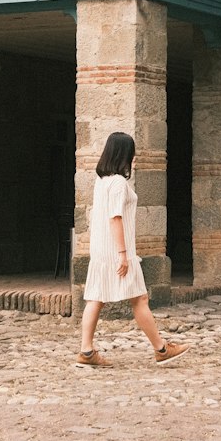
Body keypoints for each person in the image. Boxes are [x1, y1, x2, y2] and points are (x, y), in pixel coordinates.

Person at [78, 131, 188, 368]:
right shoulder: (118, 183)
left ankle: (86, 351)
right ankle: (161, 349)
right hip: (116, 251)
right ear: (124, 154)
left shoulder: (102, 181)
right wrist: (123, 254)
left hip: (101, 250)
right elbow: (115, 218)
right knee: (140, 298)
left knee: (95, 298)